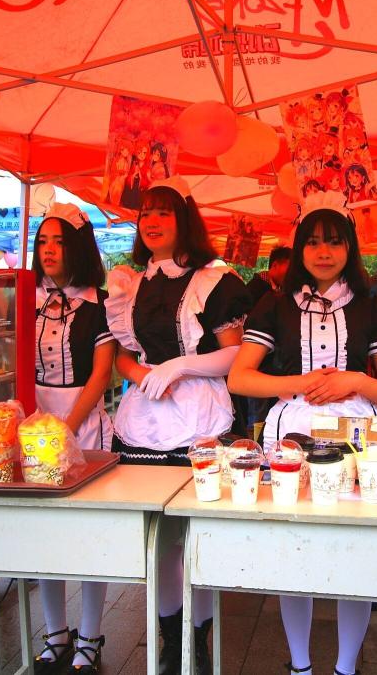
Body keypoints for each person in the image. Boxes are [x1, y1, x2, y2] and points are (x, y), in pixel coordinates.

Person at [228, 191, 377, 675]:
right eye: (312, 242)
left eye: (334, 241)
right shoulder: (274, 306)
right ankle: (300, 665)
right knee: (295, 550)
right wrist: (298, 382)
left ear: (350, 246)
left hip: (358, 441)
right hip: (291, 436)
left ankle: (347, 666)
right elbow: (239, 378)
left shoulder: (371, 307)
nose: (323, 252)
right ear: (299, 248)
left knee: (358, 553)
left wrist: (355, 380)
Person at [104, 176, 250, 674]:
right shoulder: (130, 282)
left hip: (200, 416)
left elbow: (235, 353)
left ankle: (199, 639)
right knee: (161, 539)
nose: (152, 221)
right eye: (145, 213)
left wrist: (182, 366)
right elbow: (124, 355)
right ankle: (172, 639)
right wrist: (143, 375)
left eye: (163, 212)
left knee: (196, 534)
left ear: (184, 220)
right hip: (144, 417)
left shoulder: (216, 280)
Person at [31, 203, 116, 675]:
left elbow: (102, 374)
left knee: (87, 530)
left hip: (83, 425)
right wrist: (36, 426)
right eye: (42, 241)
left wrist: (64, 427)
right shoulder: (24, 297)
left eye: (59, 242)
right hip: (34, 425)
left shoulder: (101, 303)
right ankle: (55, 631)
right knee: (44, 531)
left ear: (79, 248)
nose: (49, 250)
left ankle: (89, 633)